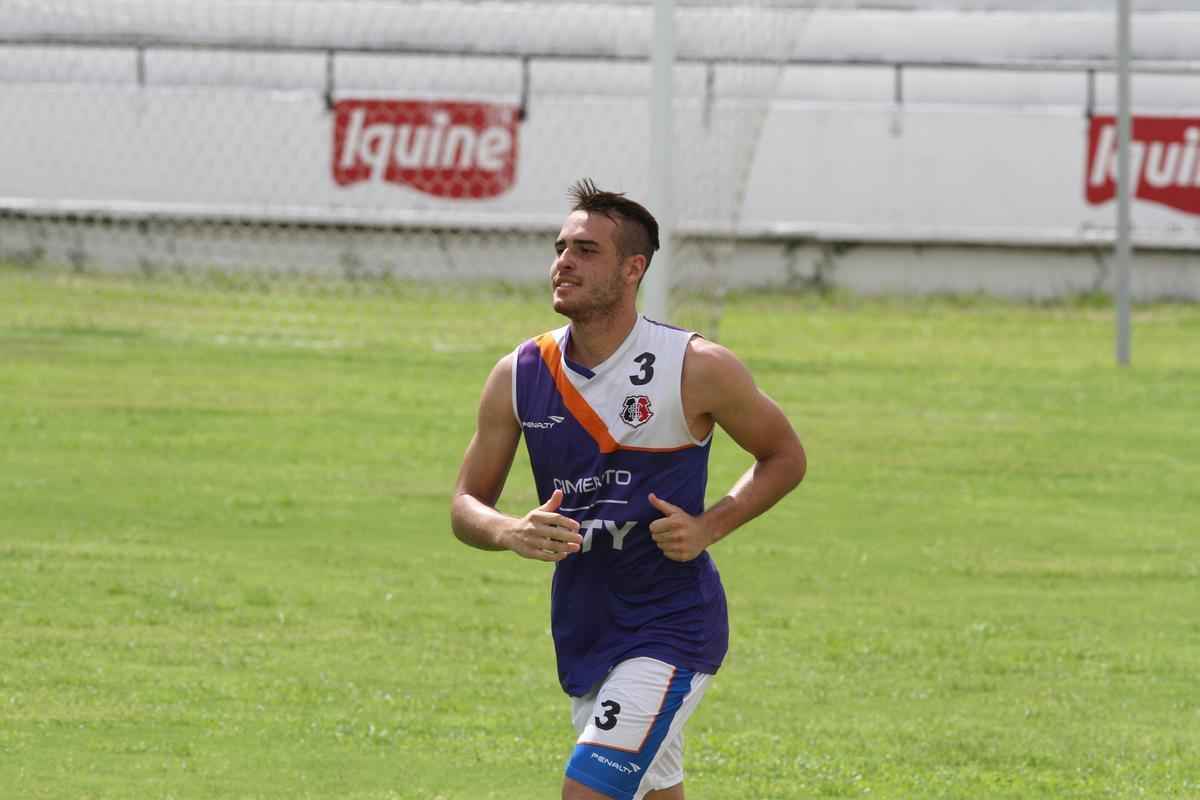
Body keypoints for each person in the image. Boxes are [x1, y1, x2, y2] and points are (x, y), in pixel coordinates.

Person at [450, 178, 806, 800]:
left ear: (633, 268)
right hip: (585, 626)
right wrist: (511, 530)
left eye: (586, 250)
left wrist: (709, 525)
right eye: (561, 247)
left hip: (671, 626)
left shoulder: (695, 366)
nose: (563, 261)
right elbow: (464, 505)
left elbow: (784, 456)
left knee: (586, 792)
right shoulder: (519, 373)